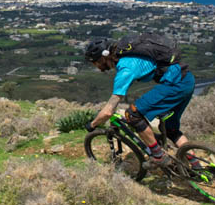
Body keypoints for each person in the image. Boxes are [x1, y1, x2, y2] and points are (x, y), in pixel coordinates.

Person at [83, 37, 197, 169]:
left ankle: (158, 156)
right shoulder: (127, 53)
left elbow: (109, 111)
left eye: (95, 62)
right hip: (186, 79)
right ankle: (197, 165)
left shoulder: (125, 69)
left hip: (174, 84)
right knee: (171, 130)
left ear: (103, 58)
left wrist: (92, 125)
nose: (96, 67)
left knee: (132, 115)